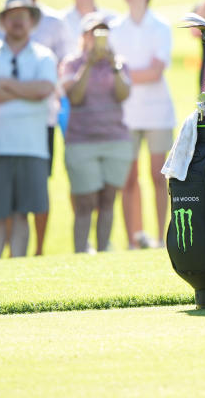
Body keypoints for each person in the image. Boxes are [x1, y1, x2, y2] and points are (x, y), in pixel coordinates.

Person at [0, 0, 74, 256]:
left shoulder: (53, 21)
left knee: (36, 190)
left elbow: (58, 73)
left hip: (43, 119)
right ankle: (7, 253)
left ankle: (37, 251)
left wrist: (12, 87)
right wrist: (26, 90)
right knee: (3, 200)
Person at [0, 0, 57, 259]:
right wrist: (25, 92)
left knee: (22, 216)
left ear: (31, 20)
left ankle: (16, 269)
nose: (18, 21)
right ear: (4, 21)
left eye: (23, 16)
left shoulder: (44, 56)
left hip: (32, 148)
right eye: (12, 16)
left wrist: (6, 84)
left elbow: (45, 89)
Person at [109, 0, 175, 249]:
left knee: (158, 175)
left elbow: (155, 72)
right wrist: (129, 75)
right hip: (125, 113)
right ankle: (134, 240)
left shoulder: (160, 26)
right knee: (128, 178)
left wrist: (124, 75)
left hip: (157, 111)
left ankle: (160, 238)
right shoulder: (114, 28)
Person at [59, 13, 132, 253]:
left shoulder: (118, 63)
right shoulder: (72, 63)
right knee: (85, 203)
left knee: (108, 200)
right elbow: (75, 97)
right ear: (84, 36)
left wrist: (113, 65)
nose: (99, 37)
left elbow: (123, 94)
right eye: (94, 32)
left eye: (103, 32)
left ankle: (103, 252)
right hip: (82, 141)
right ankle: (81, 253)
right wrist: (88, 64)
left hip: (115, 139)